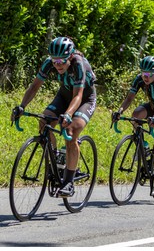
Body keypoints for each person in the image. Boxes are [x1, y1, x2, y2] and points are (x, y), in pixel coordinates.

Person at [11, 36, 97, 197]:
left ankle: (69, 182)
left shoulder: (79, 64)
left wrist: (68, 114)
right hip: (64, 95)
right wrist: (22, 106)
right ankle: (57, 158)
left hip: (85, 99)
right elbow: (35, 86)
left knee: (70, 132)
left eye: (61, 61)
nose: (57, 65)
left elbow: (78, 96)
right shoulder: (49, 62)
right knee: (45, 121)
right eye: (54, 61)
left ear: (70, 57)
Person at [112, 55, 154, 197]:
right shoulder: (139, 79)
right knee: (135, 115)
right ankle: (144, 146)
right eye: (143, 73)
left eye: (148, 74)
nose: (145, 77)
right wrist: (119, 111)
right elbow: (129, 98)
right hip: (153, 106)